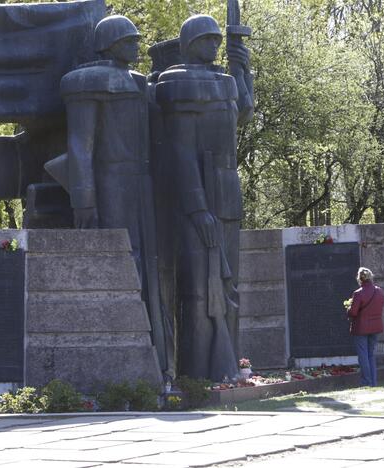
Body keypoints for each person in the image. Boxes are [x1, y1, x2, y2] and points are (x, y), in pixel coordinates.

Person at [46, 15, 173, 376]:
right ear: (110, 43)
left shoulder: (137, 82)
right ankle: (123, 337)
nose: (136, 45)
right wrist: (83, 197)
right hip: (110, 179)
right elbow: (80, 145)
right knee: (123, 254)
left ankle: (152, 352)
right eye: (129, 40)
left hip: (141, 181)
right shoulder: (88, 82)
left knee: (147, 258)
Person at [155, 14, 253, 381]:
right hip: (198, 195)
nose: (214, 45)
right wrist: (197, 209)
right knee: (200, 289)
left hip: (226, 192)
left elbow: (241, 114)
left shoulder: (223, 82)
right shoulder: (179, 84)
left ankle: (227, 367)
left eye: (217, 39)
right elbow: (180, 151)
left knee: (228, 286)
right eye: (207, 39)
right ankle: (199, 371)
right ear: (190, 42)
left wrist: (243, 71)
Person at [347, 267, 384, 387]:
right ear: (371, 277)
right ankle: (373, 382)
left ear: (360, 279)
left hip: (361, 328)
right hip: (375, 327)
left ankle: (366, 382)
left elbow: (353, 312)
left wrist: (348, 308)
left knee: (363, 355)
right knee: (371, 355)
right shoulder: (379, 291)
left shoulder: (358, 293)